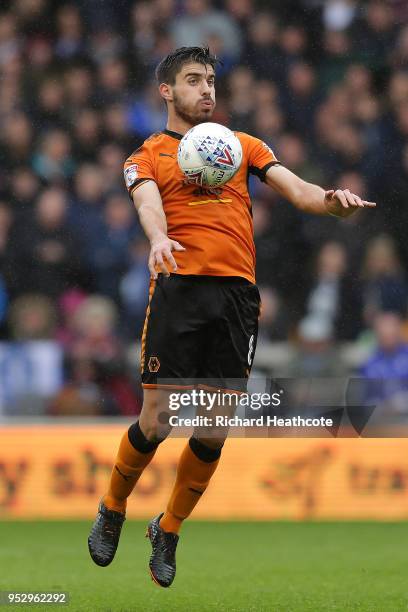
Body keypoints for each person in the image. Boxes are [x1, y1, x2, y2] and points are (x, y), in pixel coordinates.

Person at [88, 46, 375, 588]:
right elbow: (148, 203)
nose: (207, 90)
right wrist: (157, 238)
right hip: (177, 286)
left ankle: (168, 529)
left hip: (235, 297)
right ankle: (111, 507)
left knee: (215, 427)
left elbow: (298, 189)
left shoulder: (241, 145)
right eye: (194, 81)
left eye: (211, 81)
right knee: (158, 420)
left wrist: (331, 201)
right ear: (166, 91)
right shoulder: (146, 155)